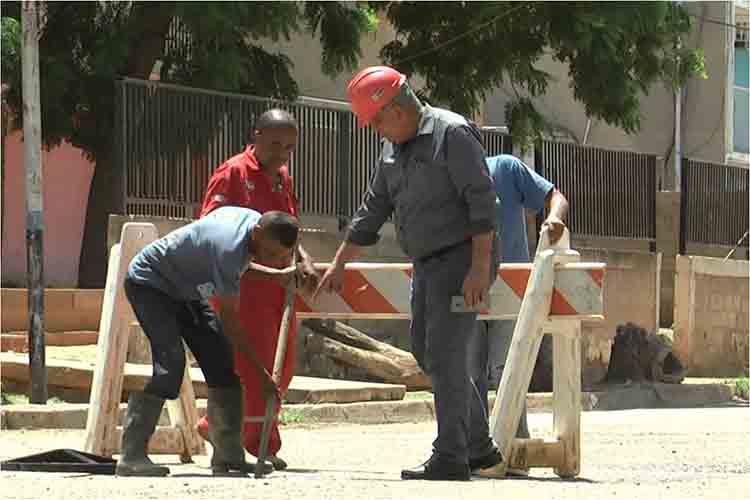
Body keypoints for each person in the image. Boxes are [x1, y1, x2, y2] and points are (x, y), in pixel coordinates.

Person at [315, 66, 501, 481]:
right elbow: (372, 211)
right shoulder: (392, 152)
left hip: (462, 258)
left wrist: (479, 268)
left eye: (377, 121)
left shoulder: (452, 134)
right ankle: (480, 448)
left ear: (396, 109)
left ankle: (452, 456)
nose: (378, 131)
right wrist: (339, 263)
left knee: (448, 355)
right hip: (427, 262)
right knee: (425, 351)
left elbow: (483, 203)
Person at [116, 207, 299, 477]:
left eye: (278, 259)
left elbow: (240, 265)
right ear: (258, 232)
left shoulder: (253, 225)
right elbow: (232, 325)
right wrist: (262, 376)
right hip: (149, 283)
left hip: (185, 288)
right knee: (171, 366)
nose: (271, 261)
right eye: (271, 255)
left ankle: (228, 457)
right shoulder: (229, 248)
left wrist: (276, 276)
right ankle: (131, 456)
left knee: (222, 366)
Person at [195, 109, 318, 471]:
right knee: (245, 366)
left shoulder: (282, 177)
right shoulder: (233, 172)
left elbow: (289, 230)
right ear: (257, 135)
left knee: (281, 367)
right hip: (242, 286)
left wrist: (305, 259)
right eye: (276, 144)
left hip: (279, 288)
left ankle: (261, 436)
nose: (282, 154)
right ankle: (224, 431)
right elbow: (211, 227)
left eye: (290, 147)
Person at [468, 154, 569, 477]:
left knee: (507, 367)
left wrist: (554, 218)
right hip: (466, 284)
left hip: (511, 287)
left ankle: (515, 448)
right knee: (469, 371)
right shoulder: (448, 177)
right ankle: (478, 450)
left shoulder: (506, 169)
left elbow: (555, 196)